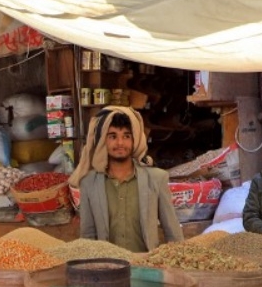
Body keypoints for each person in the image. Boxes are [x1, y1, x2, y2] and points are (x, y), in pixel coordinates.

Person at [71, 106, 183, 253]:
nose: (120, 143)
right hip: (108, 268)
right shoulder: (89, 183)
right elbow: (88, 236)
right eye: (113, 136)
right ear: (103, 140)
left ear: (134, 140)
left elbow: (172, 231)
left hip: (146, 268)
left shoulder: (156, 178)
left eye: (126, 136)